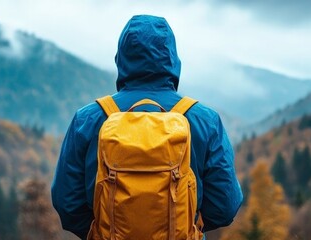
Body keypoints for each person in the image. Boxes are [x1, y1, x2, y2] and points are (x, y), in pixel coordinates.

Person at [51, 15, 243, 239]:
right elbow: (225, 206)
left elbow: (67, 204)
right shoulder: (205, 121)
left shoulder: (88, 119)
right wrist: (190, 226)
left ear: (121, 57)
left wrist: (100, 232)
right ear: (172, 58)